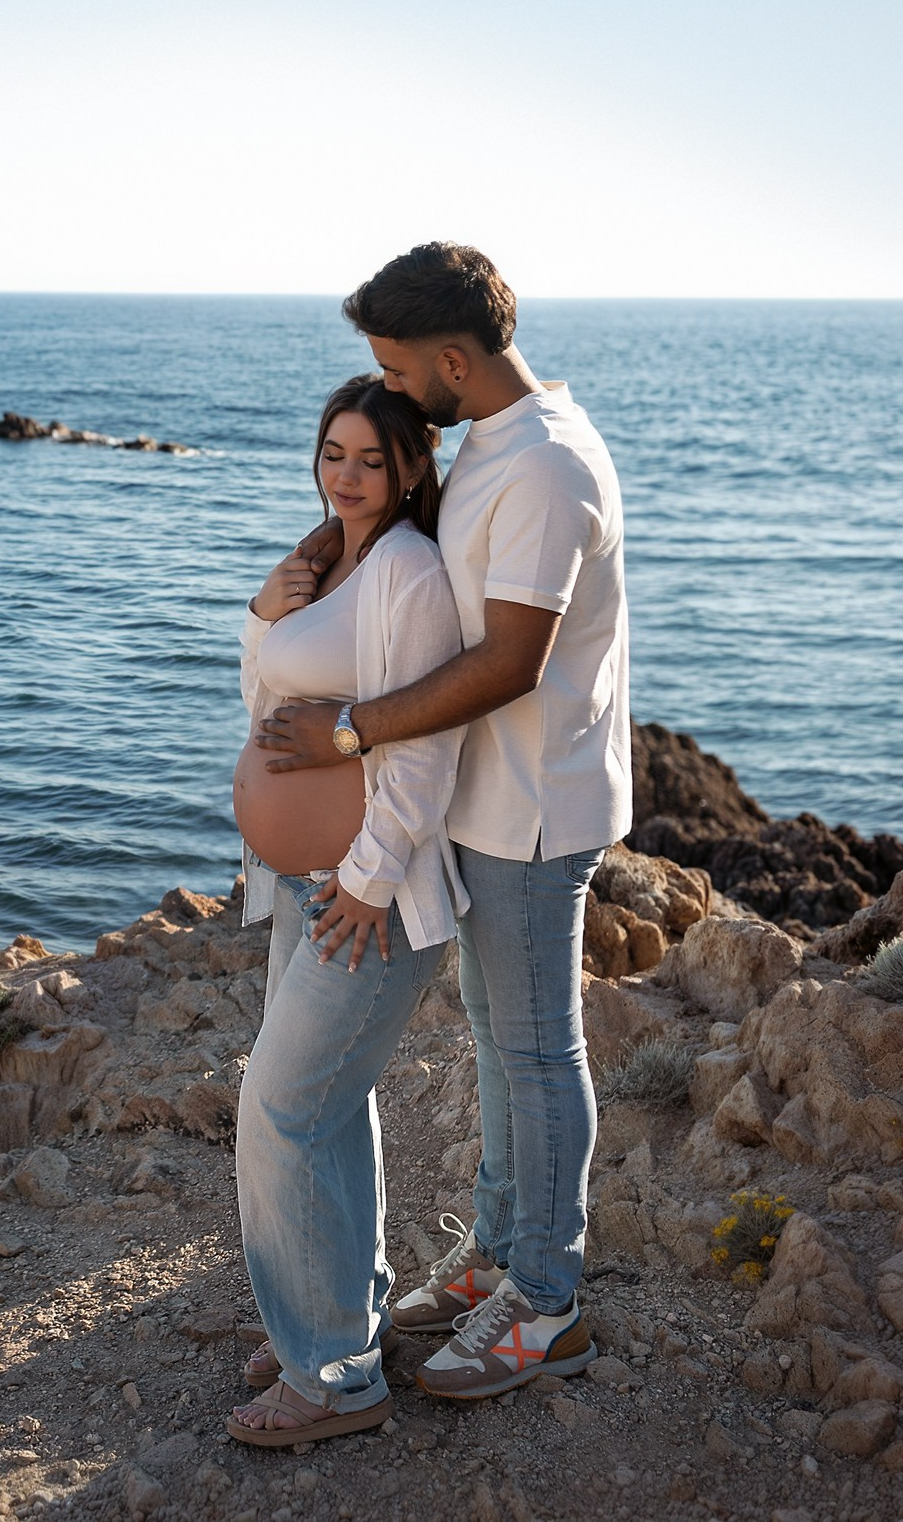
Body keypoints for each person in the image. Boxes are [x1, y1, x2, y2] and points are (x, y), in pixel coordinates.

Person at [255, 241, 628, 1399]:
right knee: (494, 1040)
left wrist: (351, 731)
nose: (390, 385)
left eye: (396, 367)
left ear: (452, 361)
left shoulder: (547, 469)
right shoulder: (489, 446)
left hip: (530, 808)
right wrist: (332, 551)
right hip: (477, 801)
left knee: (533, 1049)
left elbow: (511, 661)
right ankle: (498, 1256)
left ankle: (548, 1301)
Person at [224, 373, 468, 1446]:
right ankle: (335, 1320)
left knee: (282, 1112)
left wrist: (366, 881)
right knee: (325, 1110)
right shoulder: (327, 562)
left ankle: (331, 1378)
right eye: (333, 453)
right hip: (301, 885)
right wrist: (261, 612)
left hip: (362, 893)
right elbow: (265, 703)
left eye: (371, 459)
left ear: (410, 465)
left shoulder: (408, 571)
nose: (349, 476)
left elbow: (424, 748)